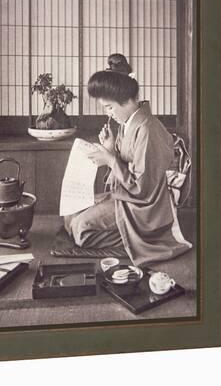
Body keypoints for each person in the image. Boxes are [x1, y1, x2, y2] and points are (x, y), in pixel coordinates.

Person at [64, 53, 192, 266]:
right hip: (127, 194)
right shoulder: (128, 123)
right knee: (70, 214)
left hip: (143, 204)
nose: (109, 113)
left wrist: (110, 160)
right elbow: (125, 162)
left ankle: (136, 239)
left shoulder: (148, 129)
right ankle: (124, 235)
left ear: (127, 101)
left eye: (110, 107)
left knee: (80, 229)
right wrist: (110, 148)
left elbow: (143, 188)